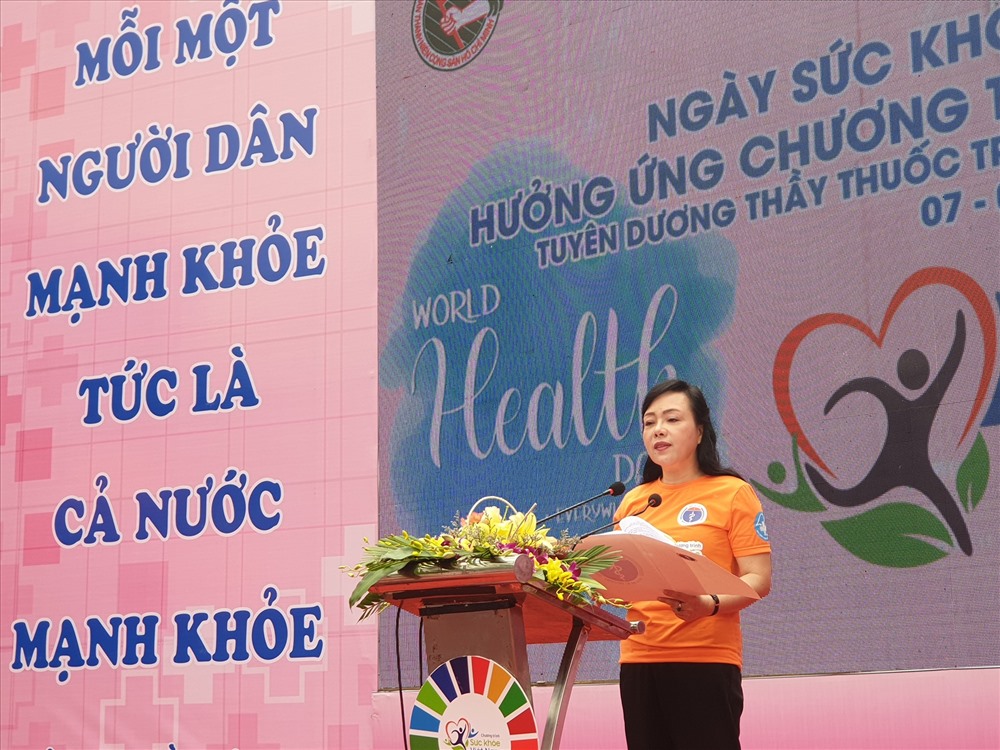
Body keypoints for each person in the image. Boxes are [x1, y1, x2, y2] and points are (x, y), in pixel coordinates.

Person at [614, 379, 772, 750]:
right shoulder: (633, 502)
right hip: (638, 659)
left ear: (700, 431)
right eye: (649, 422)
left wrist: (708, 604)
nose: (658, 430)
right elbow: (622, 584)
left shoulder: (732, 492)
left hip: (706, 659)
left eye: (672, 419)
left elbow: (759, 579)